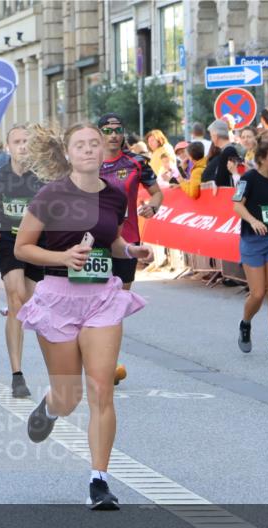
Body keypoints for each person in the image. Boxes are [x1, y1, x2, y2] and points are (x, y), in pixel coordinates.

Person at [14, 123, 152, 510]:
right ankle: (51, 405)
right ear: (69, 153)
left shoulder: (114, 195)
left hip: (101, 298)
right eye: (81, 145)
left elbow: (114, 241)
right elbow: (24, 248)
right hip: (57, 297)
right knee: (69, 396)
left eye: (95, 143)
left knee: (101, 388)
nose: (90, 150)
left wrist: (132, 251)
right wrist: (62, 257)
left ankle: (99, 481)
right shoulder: (51, 194)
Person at [97, 113, 161, 385]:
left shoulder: (137, 162)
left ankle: (109, 363)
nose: (113, 135)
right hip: (95, 243)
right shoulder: (88, 162)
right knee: (95, 302)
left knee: (117, 306)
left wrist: (153, 206)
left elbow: (157, 192)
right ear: (99, 133)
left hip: (128, 241)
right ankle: (96, 359)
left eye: (118, 130)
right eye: (108, 130)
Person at [0, 124, 44, 398]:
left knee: (36, 305)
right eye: (17, 141)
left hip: (37, 244)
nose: (22, 146)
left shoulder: (43, 178)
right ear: (8, 146)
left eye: (26, 141)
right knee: (16, 298)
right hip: (10, 241)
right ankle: (17, 375)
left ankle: (57, 369)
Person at [232, 138, 268, 358]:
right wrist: (253, 221)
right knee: (257, 293)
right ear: (262, 159)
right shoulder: (249, 178)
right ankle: (246, 323)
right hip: (252, 241)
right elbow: (237, 205)